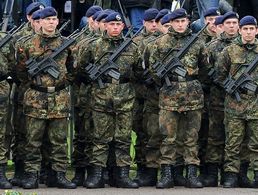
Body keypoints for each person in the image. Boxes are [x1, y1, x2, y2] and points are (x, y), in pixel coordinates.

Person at [16, 7, 76, 189]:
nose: (51, 22)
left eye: (53, 19)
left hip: (59, 97)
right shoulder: (25, 44)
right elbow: (20, 71)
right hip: (36, 97)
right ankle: (32, 175)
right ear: (38, 22)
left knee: (58, 140)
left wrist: (62, 82)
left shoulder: (67, 44)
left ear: (58, 21)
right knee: (33, 140)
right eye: (47, 19)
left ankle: (58, 175)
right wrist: (36, 86)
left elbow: (73, 70)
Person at [78, 11, 140, 189]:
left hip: (125, 98)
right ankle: (97, 175)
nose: (115, 28)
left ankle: (122, 175)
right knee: (100, 138)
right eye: (111, 24)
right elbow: (82, 70)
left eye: (118, 25)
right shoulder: (93, 46)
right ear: (105, 25)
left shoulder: (132, 47)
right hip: (101, 98)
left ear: (123, 27)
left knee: (123, 138)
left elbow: (139, 72)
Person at [146, 8, 205, 189]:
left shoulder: (197, 43)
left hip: (193, 96)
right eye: (176, 21)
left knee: (191, 137)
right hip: (169, 96)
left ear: (188, 22)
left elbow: (205, 69)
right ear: (170, 23)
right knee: (168, 137)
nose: (180, 25)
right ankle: (166, 174)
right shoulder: (159, 43)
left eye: (183, 21)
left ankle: (192, 174)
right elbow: (154, 71)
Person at [216, 15, 258, 188]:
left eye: (251, 29)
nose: (248, 32)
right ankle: (231, 175)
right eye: (245, 29)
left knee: (256, 143)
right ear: (240, 30)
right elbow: (219, 75)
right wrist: (231, 86)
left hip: (256, 104)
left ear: (256, 30)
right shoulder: (229, 51)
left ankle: (254, 175)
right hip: (234, 105)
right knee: (233, 142)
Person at [10, 1, 45, 187]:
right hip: (23, 91)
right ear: (29, 18)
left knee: (40, 135)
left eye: (43, 18)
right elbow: (15, 67)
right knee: (21, 132)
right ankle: (19, 169)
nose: (40, 22)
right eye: (36, 18)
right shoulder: (18, 38)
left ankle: (42, 172)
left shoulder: (49, 38)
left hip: (43, 95)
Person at [202, 11, 239, 187]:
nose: (232, 26)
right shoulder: (211, 46)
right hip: (216, 99)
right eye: (228, 23)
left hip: (241, 102)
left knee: (237, 138)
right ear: (222, 26)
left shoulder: (246, 45)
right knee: (215, 135)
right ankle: (211, 172)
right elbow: (205, 74)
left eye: (234, 23)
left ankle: (233, 173)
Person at [132, 8, 160, 187]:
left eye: (157, 22)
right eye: (151, 22)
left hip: (156, 97)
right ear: (144, 22)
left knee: (154, 134)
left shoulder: (162, 41)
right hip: (138, 95)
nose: (154, 25)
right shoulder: (135, 42)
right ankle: (141, 167)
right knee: (140, 132)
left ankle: (152, 169)